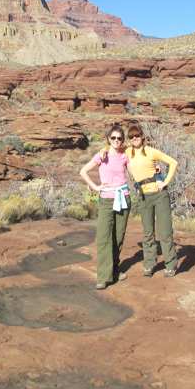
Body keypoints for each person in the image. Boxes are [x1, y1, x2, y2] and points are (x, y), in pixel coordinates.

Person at [80, 124, 132, 290]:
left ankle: (115, 271)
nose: (116, 141)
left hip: (123, 198)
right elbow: (83, 171)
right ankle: (103, 277)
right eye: (113, 138)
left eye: (119, 138)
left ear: (122, 140)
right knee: (104, 237)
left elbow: (134, 170)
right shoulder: (102, 154)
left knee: (118, 236)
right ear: (108, 139)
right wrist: (95, 187)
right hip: (107, 199)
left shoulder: (125, 155)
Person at [124, 124, 179, 277]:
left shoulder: (151, 151)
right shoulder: (128, 152)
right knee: (148, 233)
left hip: (159, 194)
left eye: (137, 135)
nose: (134, 138)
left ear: (142, 136)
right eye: (131, 136)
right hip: (143, 196)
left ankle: (170, 264)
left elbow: (173, 163)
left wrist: (165, 181)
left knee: (165, 232)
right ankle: (149, 264)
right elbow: (111, 150)